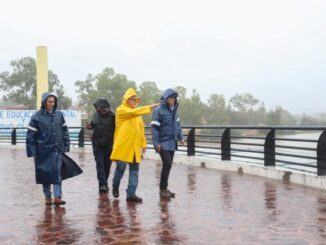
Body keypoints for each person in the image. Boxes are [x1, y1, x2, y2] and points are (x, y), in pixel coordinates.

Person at [110, 88, 158, 203]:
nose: (134, 101)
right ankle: (115, 185)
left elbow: (140, 131)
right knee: (120, 168)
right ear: (126, 99)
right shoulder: (121, 111)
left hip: (135, 148)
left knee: (134, 170)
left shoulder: (138, 115)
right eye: (132, 99)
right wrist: (149, 108)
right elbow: (131, 113)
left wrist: (143, 144)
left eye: (135, 99)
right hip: (123, 147)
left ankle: (131, 194)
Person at [26, 92, 70, 206]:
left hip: (57, 149)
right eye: (49, 101)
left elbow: (65, 131)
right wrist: (32, 151)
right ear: (44, 102)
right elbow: (30, 135)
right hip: (42, 151)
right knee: (45, 174)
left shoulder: (59, 115)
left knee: (57, 173)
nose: (52, 104)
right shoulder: (36, 116)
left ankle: (57, 197)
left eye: (53, 102)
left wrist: (66, 145)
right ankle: (47, 197)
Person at [151, 89, 184, 198]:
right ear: (166, 99)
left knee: (168, 166)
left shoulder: (174, 111)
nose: (173, 100)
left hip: (172, 142)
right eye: (171, 98)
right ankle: (162, 189)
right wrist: (156, 144)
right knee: (168, 163)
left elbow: (177, 126)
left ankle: (164, 188)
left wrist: (180, 137)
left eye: (175, 98)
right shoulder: (158, 110)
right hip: (162, 142)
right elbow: (154, 128)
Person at [86, 98, 115, 193]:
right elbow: (93, 124)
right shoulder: (95, 115)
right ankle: (102, 184)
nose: (97, 109)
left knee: (107, 165)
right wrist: (90, 126)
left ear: (103, 106)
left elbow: (118, 127)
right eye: (96, 107)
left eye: (98, 107)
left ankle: (104, 182)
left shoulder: (113, 115)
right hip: (97, 143)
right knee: (100, 164)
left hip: (109, 144)